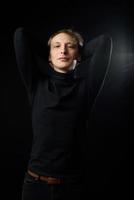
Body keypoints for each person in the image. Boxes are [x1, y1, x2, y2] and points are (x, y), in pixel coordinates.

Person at [14, 27, 112, 199]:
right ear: (49, 56)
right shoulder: (36, 85)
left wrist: (76, 52)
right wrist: (51, 50)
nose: (63, 50)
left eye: (70, 46)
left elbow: (104, 42)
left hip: (72, 187)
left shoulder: (86, 88)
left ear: (79, 54)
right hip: (35, 185)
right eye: (57, 46)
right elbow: (21, 35)